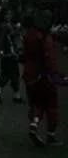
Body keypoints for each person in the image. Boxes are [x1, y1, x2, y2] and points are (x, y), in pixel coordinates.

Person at [23, 9, 64, 147]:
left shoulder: (29, 34)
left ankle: (34, 124)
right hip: (44, 75)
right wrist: (57, 75)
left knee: (36, 103)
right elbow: (49, 58)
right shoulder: (45, 36)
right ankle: (51, 135)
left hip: (30, 74)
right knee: (51, 104)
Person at [0, 9, 24, 104]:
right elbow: (2, 39)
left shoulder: (6, 25)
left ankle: (0, 90)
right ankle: (16, 95)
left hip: (8, 53)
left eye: (10, 14)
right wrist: (1, 51)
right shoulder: (5, 26)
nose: (9, 15)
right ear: (4, 16)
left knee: (6, 73)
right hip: (9, 53)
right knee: (13, 73)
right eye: (7, 14)